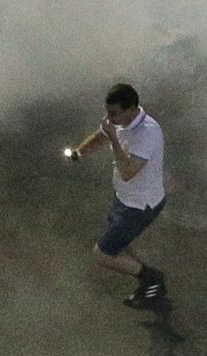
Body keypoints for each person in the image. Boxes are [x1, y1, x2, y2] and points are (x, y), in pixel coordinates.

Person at [64, 81, 174, 306]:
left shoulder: (147, 134)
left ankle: (151, 279)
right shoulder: (120, 122)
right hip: (124, 199)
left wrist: (114, 139)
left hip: (140, 207)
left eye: (114, 114)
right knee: (120, 241)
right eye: (107, 113)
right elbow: (100, 136)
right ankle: (144, 274)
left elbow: (127, 172)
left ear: (132, 109)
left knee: (103, 254)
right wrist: (78, 154)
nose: (109, 119)